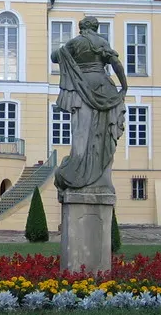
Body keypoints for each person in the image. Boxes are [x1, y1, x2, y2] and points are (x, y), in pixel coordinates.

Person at [51, 16, 128, 192]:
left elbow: (54, 57)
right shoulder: (102, 42)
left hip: (81, 86)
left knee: (81, 131)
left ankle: (77, 169)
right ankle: (99, 173)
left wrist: (62, 51)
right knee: (103, 132)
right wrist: (124, 85)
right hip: (103, 87)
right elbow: (116, 63)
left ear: (81, 28)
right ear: (95, 27)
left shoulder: (75, 43)